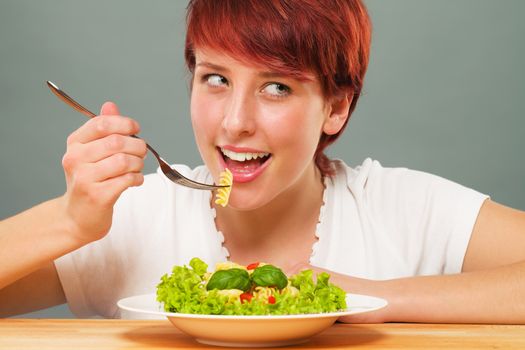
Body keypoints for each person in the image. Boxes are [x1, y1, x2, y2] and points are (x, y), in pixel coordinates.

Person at [1, 0, 524, 323]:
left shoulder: (401, 208)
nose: (234, 123)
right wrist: (69, 221)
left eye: (276, 87)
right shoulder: (134, 217)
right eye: (216, 78)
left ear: (335, 107)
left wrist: (368, 299)